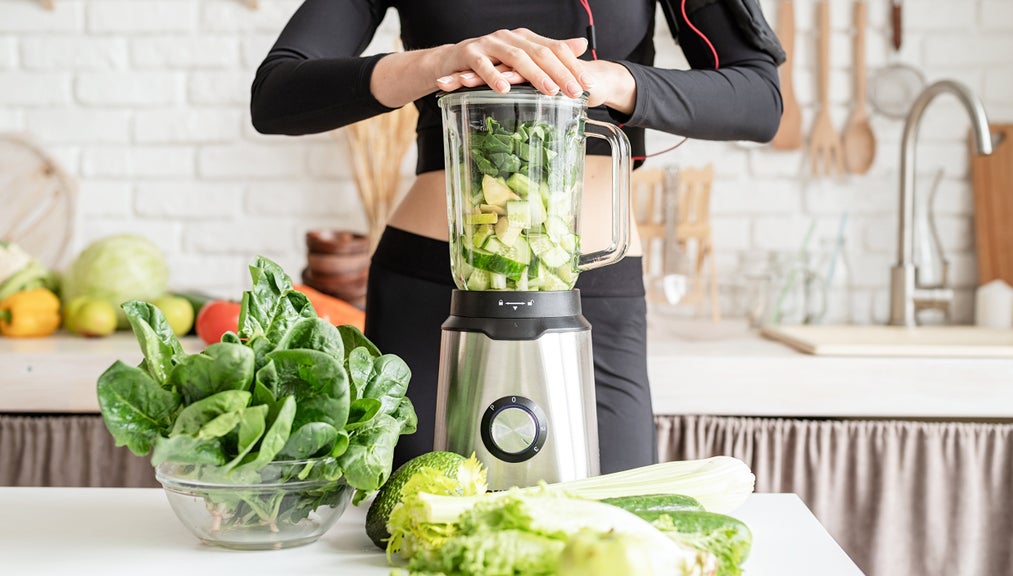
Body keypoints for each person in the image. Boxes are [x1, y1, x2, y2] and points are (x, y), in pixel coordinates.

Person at [251, 0, 784, 474]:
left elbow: (760, 99)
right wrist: (438, 64)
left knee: (610, 529)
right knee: (415, 533)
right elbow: (277, 92)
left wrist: (614, 82)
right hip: (431, 285)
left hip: (595, 287)